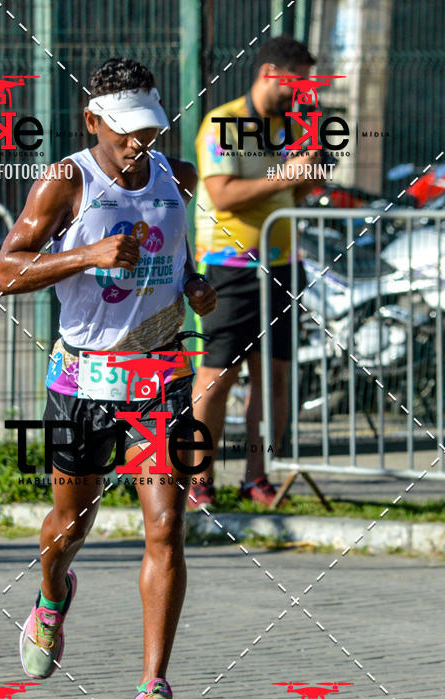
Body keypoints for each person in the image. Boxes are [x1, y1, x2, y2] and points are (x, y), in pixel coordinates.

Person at [0, 58, 216, 699]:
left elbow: (180, 261)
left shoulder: (177, 177)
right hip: (82, 383)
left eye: (149, 131)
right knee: (69, 528)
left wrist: (197, 288)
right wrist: (83, 256)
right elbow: (4, 272)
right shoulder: (67, 181)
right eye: (125, 134)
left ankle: (153, 690)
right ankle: (53, 594)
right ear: (92, 122)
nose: (138, 145)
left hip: (160, 380)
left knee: (164, 527)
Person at [191, 35, 321, 508]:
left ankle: (256, 476)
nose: (304, 92)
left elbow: (294, 194)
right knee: (217, 378)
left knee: (276, 377)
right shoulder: (224, 122)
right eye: (298, 83)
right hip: (230, 268)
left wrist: (309, 173)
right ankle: (199, 481)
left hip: (284, 266)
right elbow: (223, 194)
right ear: (271, 74)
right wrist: (285, 176)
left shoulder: (292, 124)